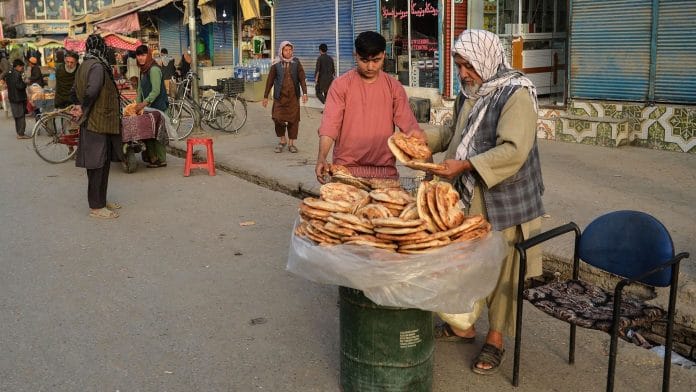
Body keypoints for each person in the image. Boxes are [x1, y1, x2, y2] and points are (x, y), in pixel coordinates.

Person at [421, 29, 545, 375]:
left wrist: (464, 165)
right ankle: (464, 324)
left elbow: (513, 150)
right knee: (467, 262)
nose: (462, 73)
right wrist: (420, 138)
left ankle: (495, 338)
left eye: (467, 65)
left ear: (485, 60)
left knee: (503, 269)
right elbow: (453, 134)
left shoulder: (515, 94)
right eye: (459, 65)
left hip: (508, 198)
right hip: (472, 194)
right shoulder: (471, 92)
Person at [315, 31, 425, 181]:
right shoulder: (340, 85)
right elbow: (330, 125)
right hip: (345, 172)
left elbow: (410, 127)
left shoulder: (394, 87)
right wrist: (321, 157)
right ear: (356, 55)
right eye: (364, 60)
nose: (370, 66)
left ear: (384, 55)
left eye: (376, 60)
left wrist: (429, 166)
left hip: (385, 174)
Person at [71, 34, 123, 219]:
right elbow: (92, 91)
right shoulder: (98, 66)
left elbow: (74, 90)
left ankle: (101, 200)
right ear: (101, 48)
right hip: (97, 121)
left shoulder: (84, 65)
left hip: (95, 121)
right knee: (98, 165)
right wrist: (83, 108)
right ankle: (96, 206)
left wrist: (79, 107)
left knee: (100, 164)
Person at [262, 41, 308, 153]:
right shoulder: (276, 64)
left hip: (293, 98)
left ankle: (291, 143)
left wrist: (305, 93)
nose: (288, 52)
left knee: (294, 121)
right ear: (281, 51)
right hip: (280, 98)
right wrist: (265, 96)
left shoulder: (296, 62)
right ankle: (282, 140)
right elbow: (270, 80)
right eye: (286, 50)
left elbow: (302, 78)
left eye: (290, 50)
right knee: (277, 118)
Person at [134, 44, 168, 168]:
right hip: (148, 107)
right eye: (138, 55)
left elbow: (156, 90)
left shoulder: (153, 69)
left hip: (158, 106)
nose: (141, 58)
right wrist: (136, 105)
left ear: (148, 55)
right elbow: (140, 89)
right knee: (149, 133)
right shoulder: (143, 70)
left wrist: (144, 103)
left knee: (157, 134)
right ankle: (152, 158)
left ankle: (160, 159)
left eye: (143, 55)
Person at [5, 59, 30, 139]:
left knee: (16, 116)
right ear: (18, 66)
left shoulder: (9, 73)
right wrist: (25, 83)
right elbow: (19, 86)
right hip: (18, 98)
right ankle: (21, 134)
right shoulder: (17, 74)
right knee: (21, 116)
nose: (22, 69)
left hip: (12, 97)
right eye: (22, 67)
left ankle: (19, 133)